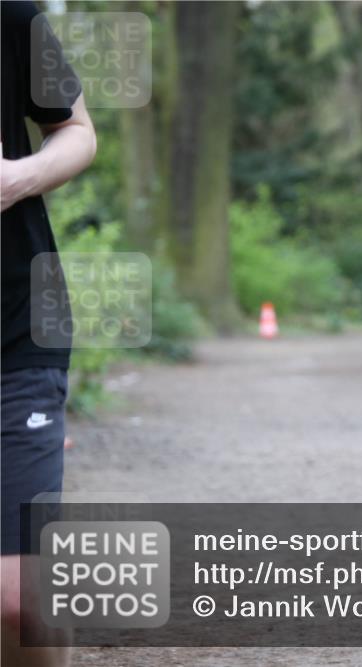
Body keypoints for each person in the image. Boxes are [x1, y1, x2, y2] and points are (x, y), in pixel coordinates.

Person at [2, 2, 97, 665]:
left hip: (16, 331)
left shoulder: (11, 16)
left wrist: (14, 178)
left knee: (23, 599)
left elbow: (79, 132)